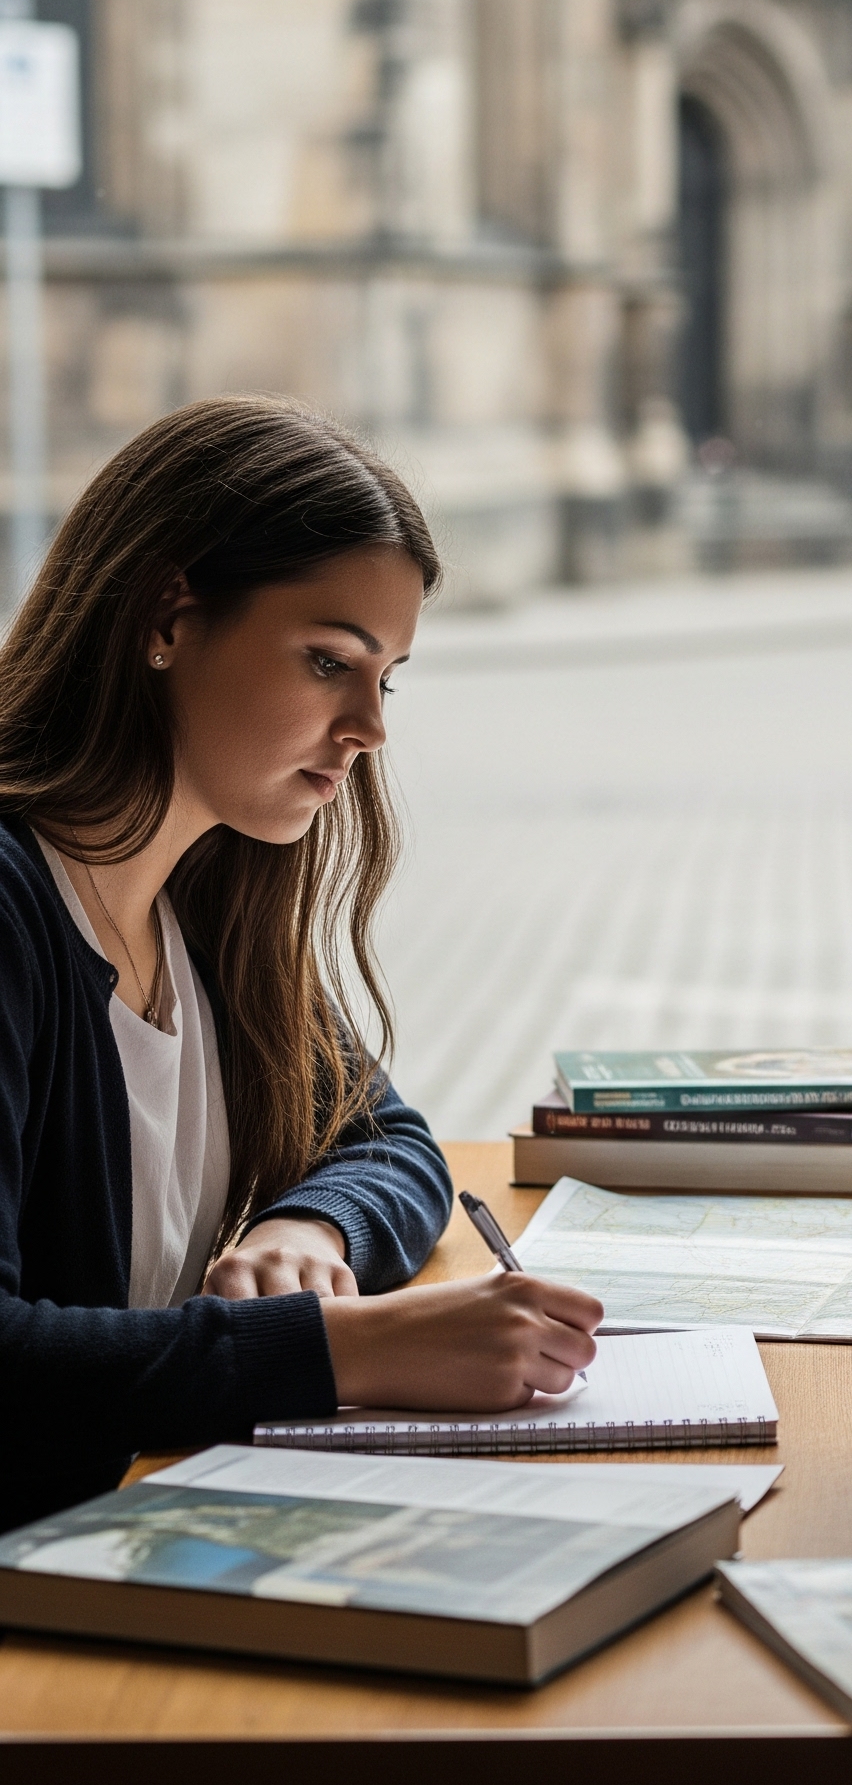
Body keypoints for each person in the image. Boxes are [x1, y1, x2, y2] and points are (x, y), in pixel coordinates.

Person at [0, 396, 601, 1534]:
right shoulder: (15, 911)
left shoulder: (201, 896)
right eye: (330, 661)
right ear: (167, 616)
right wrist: (342, 1347)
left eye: (388, 675)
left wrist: (311, 1229)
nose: (370, 725)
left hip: (144, 1534)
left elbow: (388, 1141)